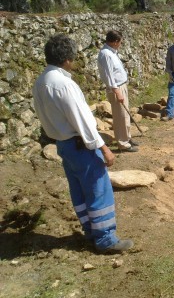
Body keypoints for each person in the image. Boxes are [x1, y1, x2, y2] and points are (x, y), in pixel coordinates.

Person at [33, 34, 134, 253]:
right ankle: (105, 238)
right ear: (67, 58)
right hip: (80, 145)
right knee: (98, 188)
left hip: (63, 145)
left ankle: (90, 230)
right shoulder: (64, 85)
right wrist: (104, 148)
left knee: (78, 189)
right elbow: (84, 122)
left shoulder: (41, 82)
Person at [97, 30, 138, 152]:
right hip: (116, 88)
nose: (121, 44)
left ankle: (127, 137)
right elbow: (109, 75)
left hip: (121, 86)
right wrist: (117, 91)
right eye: (120, 42)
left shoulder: (112, 52)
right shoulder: (106, 55)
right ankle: (123, 143)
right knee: (120, 116)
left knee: (125, 115)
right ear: (115, 42)